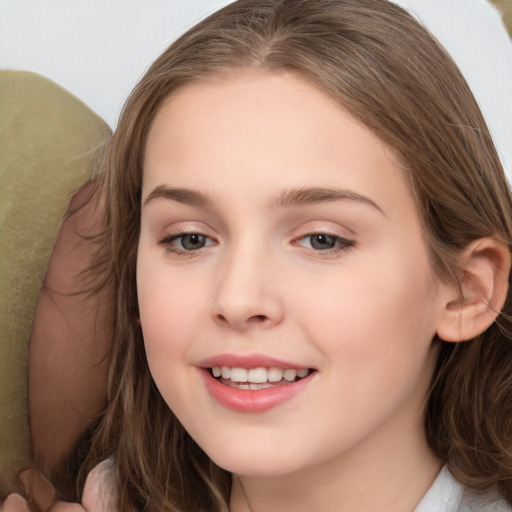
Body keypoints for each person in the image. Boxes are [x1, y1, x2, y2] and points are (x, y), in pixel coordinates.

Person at [4, 0, 512, 510]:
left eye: (321, 240)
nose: (238, 298)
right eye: (190, 239)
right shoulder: (109, 494)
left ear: (467, 290)